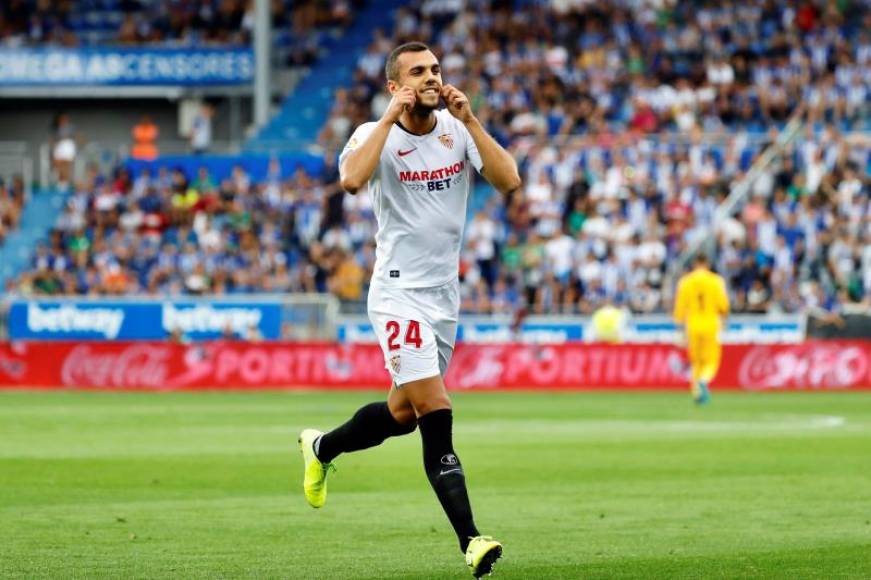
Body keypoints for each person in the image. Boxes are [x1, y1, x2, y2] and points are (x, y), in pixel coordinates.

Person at [298, 41, 520, 578]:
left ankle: (322, 446)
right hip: (397, 294)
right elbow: (350, 180)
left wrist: (471, 120)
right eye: (417, 72)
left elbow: (509, 180)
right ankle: (471, 538)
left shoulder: (456, 130)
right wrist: (389, 118)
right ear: (395, 85)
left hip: (444, 297)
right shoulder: (373, 135)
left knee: (401, 413)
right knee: (435, 411)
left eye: (436, 69)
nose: (431, 78)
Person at [673, 253, 730, 404]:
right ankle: (704, 381)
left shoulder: (685, 282)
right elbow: (723, 305)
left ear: (694, 264)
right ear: (708, 264)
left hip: (692, 325)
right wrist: (724, 319)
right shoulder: (716, 281)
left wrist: (679, 328)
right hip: (710, 324)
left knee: (696, 361)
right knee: (711, 360)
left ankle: (697, 393)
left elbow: (679, 309)